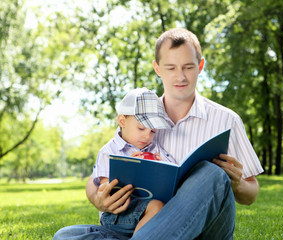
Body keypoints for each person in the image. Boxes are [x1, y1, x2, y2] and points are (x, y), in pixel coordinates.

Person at [53, 28, 264, 240]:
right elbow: (101, 171)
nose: (180, 76)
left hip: (202, 231)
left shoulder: (227, 120)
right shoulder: (140, 116)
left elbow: (251, 193)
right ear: (157, 68)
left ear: (200, 66)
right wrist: (97, 199)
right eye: (171, 67)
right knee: (65, 236)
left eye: (188, 67)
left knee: (212, 174)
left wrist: (236, 184)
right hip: (139, 224)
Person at [92, 87, 176, 238]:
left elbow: (175, 174)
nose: (146, 136)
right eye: (141, 128)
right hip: (118, 214)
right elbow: (104, 190)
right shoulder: (109, 151)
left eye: (152, 132)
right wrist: (132, 168)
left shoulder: (155, 148)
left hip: (146, 213)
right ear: (122, 121)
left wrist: (161, 165)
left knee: (162, 207)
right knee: (156, 206)